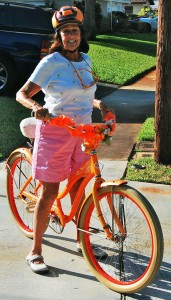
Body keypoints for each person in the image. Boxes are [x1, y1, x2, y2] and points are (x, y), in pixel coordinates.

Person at [16, 6, 112, 274]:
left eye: (75, 31)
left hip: (82, 133)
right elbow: (22, 93)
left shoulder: (86, 61)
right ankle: (35, 250)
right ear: (59, 36)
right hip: (56, 131)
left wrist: (99, 102)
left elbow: (79, 94)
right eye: (66, 31)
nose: (71, 35)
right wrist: (36, 107)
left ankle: (83, 240)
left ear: (82, 34)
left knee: (79, 187)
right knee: (49, 191)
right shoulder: (51, 62)